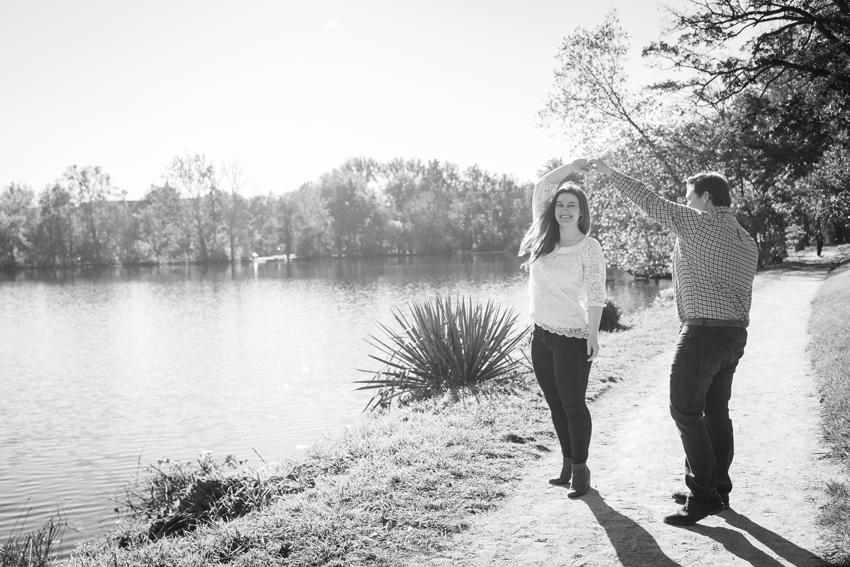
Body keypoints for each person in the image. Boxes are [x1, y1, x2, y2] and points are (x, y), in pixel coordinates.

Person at [587, 159, 758, 525]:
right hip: (733, 335)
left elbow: (646, 199)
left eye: (688, 197)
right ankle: (716, 488)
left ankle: (703, 496)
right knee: (715, 413)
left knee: (684, 408)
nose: (685, 203)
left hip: (703, 332)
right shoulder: (745, 238)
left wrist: (608, 172)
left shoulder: (697, 223)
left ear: (706, 198)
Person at [518, 158, 607, 499]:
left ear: (582, 212)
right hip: (541, 335)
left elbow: (598, 295)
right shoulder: (544, 237)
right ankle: (567, 465)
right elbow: (543, 186)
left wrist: (594, 335)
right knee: (555, 404)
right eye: (561, 205)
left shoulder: (590, 247)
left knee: (573, 404)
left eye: (572, 205)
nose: (565, 210)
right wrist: (572, 166)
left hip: (572, 336)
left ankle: (581, 472)